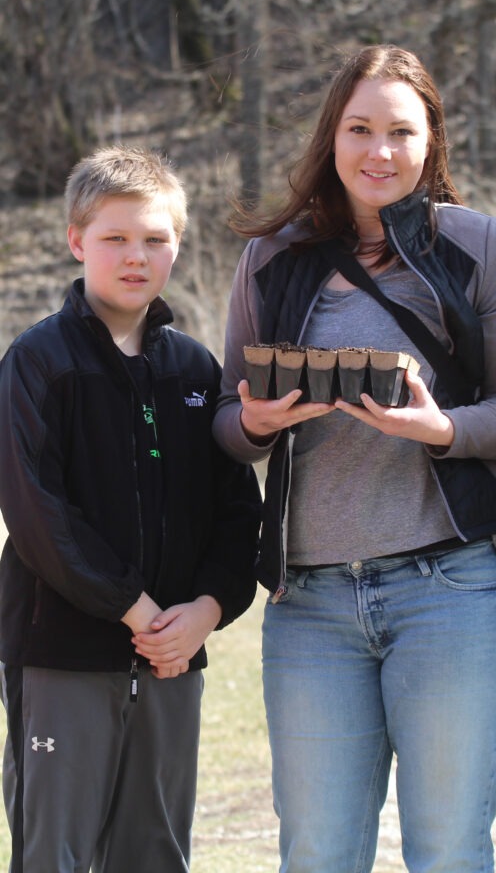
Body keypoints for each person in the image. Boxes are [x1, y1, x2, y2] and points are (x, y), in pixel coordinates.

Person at [213, 44, 496, 873]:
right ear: (332, 137)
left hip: (456, 590)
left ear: (431, 140)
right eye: (359, 128)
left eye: (401, 131)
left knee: (445, 850)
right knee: (318, 854)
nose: (379, 152)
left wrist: (443, 431)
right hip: (313, 602)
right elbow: (226, 418)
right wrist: (256, 422)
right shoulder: (272, 258)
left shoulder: (477, 249)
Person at [0, 146, 262, 873]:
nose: (136, 256)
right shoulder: (38, 363)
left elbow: (237, 509)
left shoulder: (194, 369)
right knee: (54, 853)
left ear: (177, 245)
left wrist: (208, 608)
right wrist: (135, 610)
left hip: (175, 657)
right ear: (76, 241)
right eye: (115, 237)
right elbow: (36, 514)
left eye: (155, 238)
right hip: (63, 655)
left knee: (155, 853)